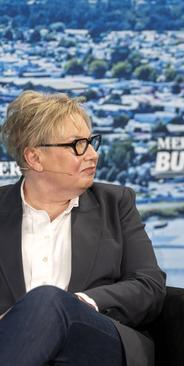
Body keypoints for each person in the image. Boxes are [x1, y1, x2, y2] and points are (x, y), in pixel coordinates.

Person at [0, 91, 166, 366]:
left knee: (48, 301)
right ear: (34, 158)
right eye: (78, 145)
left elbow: (149, 286)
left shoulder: (116, 203)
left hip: (99, 343)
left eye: (91, 142)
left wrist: (78, 303)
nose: (92, 155)